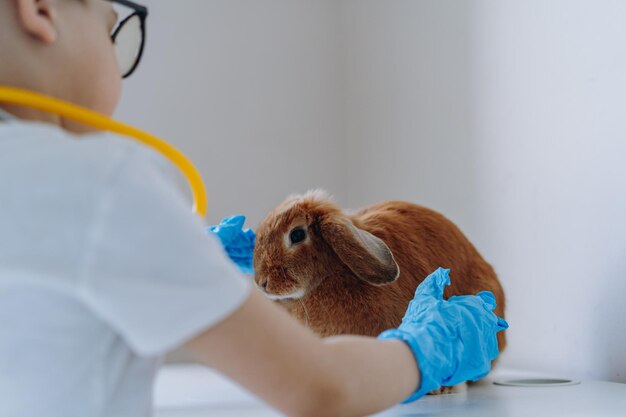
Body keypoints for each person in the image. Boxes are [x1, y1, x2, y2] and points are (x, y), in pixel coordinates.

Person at [0, 1, 508, 417]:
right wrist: (426, 350)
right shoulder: (105, 181)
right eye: (114, 33)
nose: (119, 63)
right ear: (41, 10)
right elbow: (318, 388)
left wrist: (184, 254)